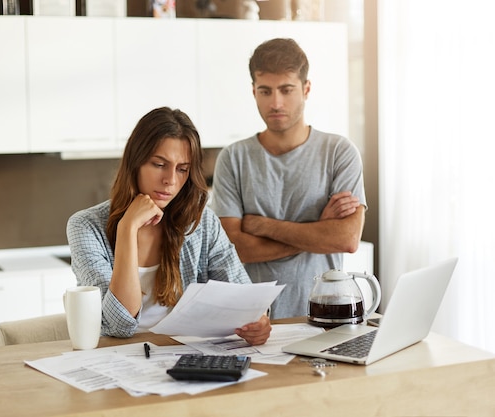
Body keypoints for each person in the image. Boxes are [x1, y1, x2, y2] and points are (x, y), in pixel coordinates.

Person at [66, 107, 271, 345]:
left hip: (182, 354)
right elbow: (119, 324)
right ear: (135, 162)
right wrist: (127, 228)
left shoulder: (202, 223)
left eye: (182, 169)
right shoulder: (86, 227)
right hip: (115, 355)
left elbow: (244, 297)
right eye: (159, 164)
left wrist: (258, 321)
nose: (171, 181)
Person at [211, 38, 367, 319]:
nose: (276, 102)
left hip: (325, 316)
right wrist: (318, 230)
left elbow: (346, 238)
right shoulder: (233, 158)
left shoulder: (339, 152)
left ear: (306, 89)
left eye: (286, 89)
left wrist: (263, 226)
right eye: (265, 91)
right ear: (253, 91)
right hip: (253, 321)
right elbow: (235, 249)